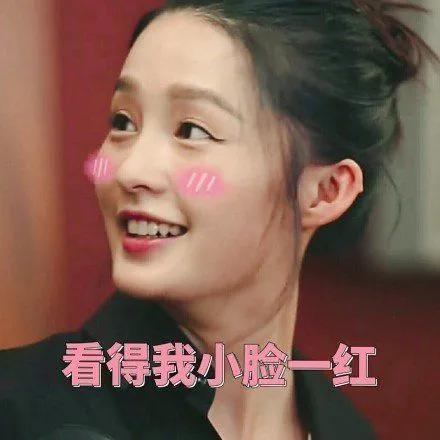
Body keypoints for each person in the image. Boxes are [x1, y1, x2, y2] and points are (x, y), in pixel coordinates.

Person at [0, 1, 437, 439]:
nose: (131, 170)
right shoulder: (21, 409)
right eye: (123, 122)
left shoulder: (348, 431)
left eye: (192, 130)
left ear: (326, 191)